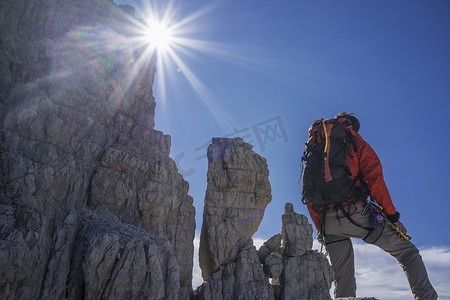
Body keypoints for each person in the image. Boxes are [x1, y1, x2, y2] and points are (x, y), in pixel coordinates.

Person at [304, 112, 437, 300]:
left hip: (327, 220)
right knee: (408, 253)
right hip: (356, 213)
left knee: (343, 278)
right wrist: (393, 217)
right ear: (352, 128)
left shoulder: (315, 148)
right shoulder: (356, 142)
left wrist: (321, 228)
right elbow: (376, 181)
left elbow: (307, 193)